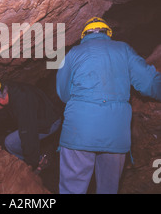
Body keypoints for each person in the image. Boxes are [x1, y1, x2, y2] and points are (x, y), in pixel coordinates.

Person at [56, 17, 161, 194]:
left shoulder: (73, 53)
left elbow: (62, 92)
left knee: (72, 189)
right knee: (108, 189)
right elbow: (148, 82)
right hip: (116, 132)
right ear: (108, 34)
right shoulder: (124, 49)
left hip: (79, 131)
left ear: (84, 35)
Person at [0, 81, 62, 171]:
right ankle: (36, 160)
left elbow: (28, 135)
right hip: (39, 114)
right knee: (17, 136)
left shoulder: (23, 104)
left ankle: (40, 162)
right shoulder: (8, 91)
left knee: (11, 142)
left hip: (50, 122)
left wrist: (31, 164)